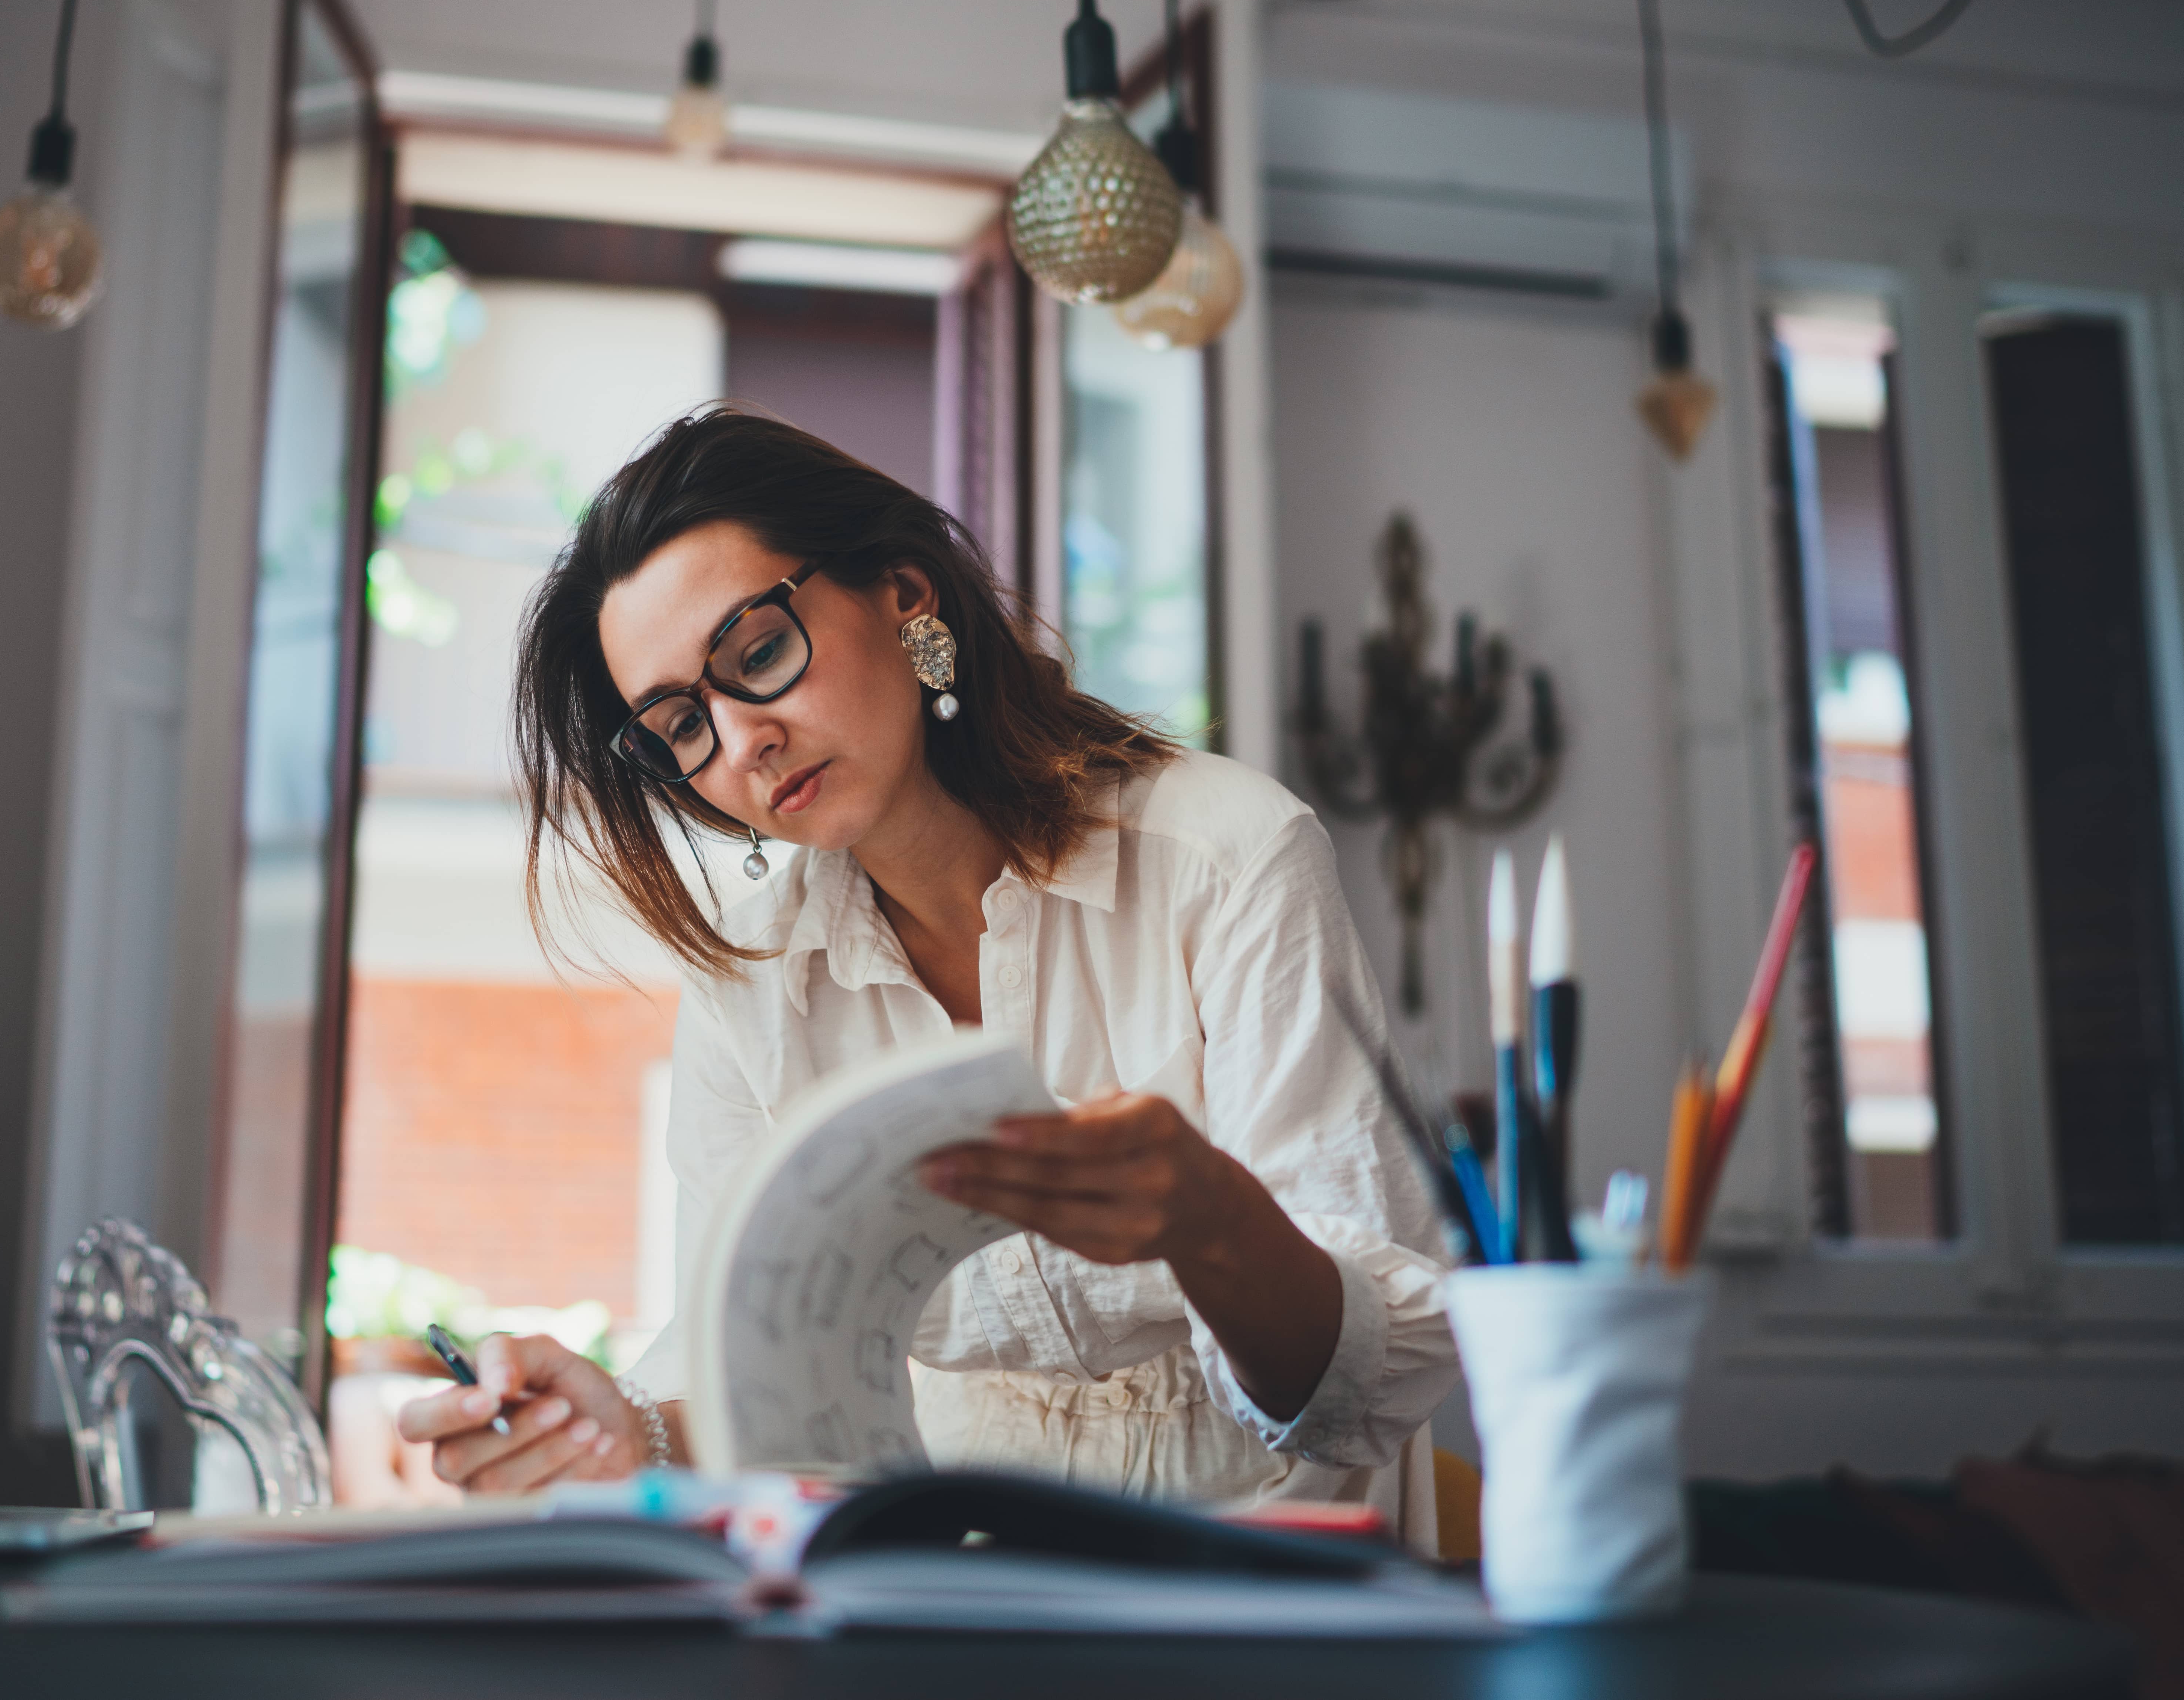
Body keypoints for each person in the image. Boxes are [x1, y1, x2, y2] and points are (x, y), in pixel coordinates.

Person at [398, 408, 1458, 1544]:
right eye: (680, 724)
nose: (741, 739)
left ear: (905, 594)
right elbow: (765, 1373)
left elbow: (1366, 1383)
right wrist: (629, 1430)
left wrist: (1210, 1220)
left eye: (756, 655)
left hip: (1261, 1592)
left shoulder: (1225, 857)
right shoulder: (749, 985)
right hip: (945, 1601)